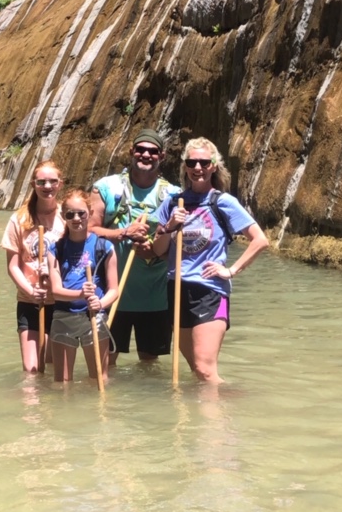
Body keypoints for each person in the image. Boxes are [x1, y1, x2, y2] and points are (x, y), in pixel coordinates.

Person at [153, 137, 269, 384]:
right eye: (192, 162)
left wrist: (231, 270)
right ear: (185, 166)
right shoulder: (173, 203)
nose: (198, 168)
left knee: (205, 371)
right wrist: (171, 226)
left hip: (210, 291)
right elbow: (158, 249)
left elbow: (260, 240)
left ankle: (220, 421)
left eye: (204, 163)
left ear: (214, 166)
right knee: (196, 369)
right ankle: (212, 413)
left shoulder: (222, 202)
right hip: (177, 289)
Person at [88, 129, 180, 364]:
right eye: (140, 149)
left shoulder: (174, 195)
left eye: (152, 151)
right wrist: (123, 232)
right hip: (111, 294)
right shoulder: (105, 187)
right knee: (106, 363)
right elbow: (89, 230)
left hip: (155, 297)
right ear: (131, 152)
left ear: (162, 156)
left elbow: (182, 247)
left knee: (149, 367)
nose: (146, 155)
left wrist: (157, 251)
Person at [0, 160, 65, 373]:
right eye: (42, 182)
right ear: (33, 184)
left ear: (60, 183)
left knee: (55, 367)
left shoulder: (68, 216)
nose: (47, 186)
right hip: (30, 300)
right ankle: (31, 407)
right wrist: (31, 291)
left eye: (52, 181)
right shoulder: (19, 219)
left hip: (60, 300)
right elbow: (13, 266)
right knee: (32, 370)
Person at [47, 189, 118, 382]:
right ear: (63, 217)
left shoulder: (104, 247)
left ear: (90, 213)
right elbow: (55, 291)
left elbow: (114, 290)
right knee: (62, 382)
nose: (76, 218)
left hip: (93, 318)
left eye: (81, 213)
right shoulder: (55, 249)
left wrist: (101, 304)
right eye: (70, 214)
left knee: (99, 379)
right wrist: (80, 294)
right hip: (63, 318)